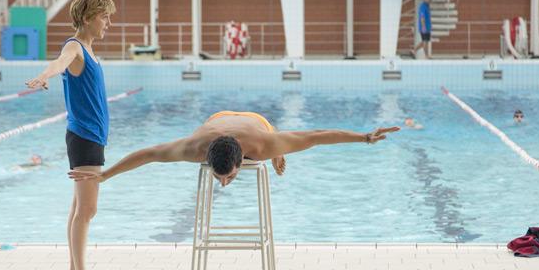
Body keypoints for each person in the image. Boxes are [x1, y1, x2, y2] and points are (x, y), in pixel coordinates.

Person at [25, 0, 115, 270]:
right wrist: (44, 75)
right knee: (87, 210)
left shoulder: (88, 47)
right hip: (85, 137)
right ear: (89, 18)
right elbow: (60, 62)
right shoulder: (75, 47)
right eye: (104, 17)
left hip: (91, 136)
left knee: (79, 208)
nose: (109, 23)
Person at [69, 111, 400, 187]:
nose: (224, 183)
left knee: (279, 145)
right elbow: (149, 154)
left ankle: (279, 155)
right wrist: (106, 175)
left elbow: (317, 135)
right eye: (220, 177)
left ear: (241, 160)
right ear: (206, 159)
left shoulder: (264, 145)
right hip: (217, 121)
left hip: (258, 124)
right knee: (277, 148)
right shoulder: (193, 149)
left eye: (227, 177)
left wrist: (365, 138)